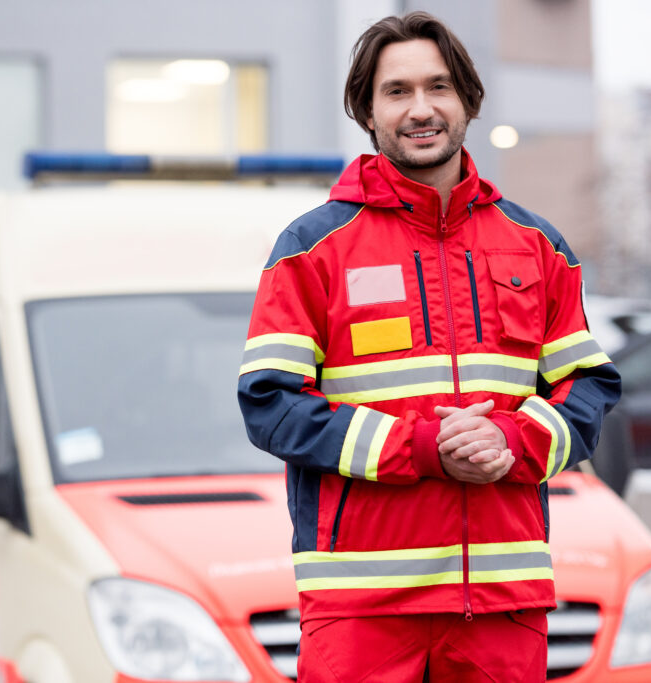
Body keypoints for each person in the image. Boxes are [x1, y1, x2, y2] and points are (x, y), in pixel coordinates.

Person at [237, 11, 621, 682]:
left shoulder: (538, 245)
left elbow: (589, 388)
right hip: (361, 607)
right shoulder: (311, 248)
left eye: (439, 87)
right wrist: (417, 448)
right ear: (367, 110)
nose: (422, 109)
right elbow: (269, 404)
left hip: (503, 601)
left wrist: (513, 440)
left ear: (469, 100)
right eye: (397, 91)